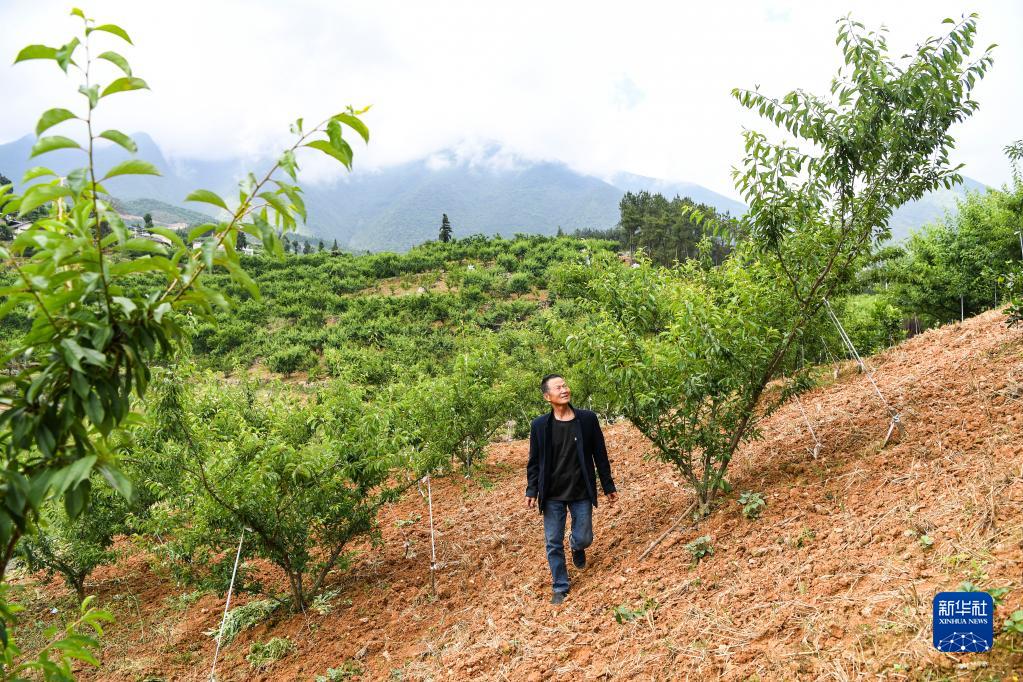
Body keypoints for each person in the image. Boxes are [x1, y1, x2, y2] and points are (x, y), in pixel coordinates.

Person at [525, 374, 617, 604]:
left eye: (565, 385)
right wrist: (531, 490)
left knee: (584, 537)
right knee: (553, 542)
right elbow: (534, 461)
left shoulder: (587, 420)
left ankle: (577, 545)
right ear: (547, 397)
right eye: (558, 387)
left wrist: (608, 485)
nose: (564, 390)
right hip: (552, 494)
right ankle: (560, 586)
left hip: (580, 490)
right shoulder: (539, 426)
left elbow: (600, 454)